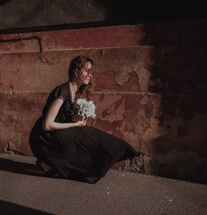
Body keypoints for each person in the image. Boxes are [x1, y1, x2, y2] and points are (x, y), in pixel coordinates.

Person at [29, 55, 142, 184]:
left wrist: (78, 118)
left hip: (57, 133)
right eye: (87, 71)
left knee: (88, 133)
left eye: (91, 72)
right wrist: (76, 125)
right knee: (86, 133)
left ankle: (118, 151)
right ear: (76, 72)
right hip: (43, 137)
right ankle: (47, 161)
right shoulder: (62, 91)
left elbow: (64, 117)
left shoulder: (77, 92)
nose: (90, 75)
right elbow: (47, 125)